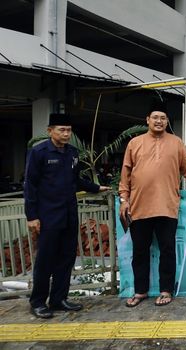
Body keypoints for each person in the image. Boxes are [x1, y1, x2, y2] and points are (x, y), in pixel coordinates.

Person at [118, 100, 186, 308]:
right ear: (147, 120)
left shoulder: (176, 143)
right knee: (140, 252)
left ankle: (166, 290)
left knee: (167, 250)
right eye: (155, 117)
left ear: (167, 122)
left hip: (167, 206)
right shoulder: (134, 143)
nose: (159, 121)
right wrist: (123, 200)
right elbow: (125, 175)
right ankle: (140, 291)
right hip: (138, 207)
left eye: (163, 118)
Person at [24, 113, 111, 319]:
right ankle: (37, 302)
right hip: (47, 216)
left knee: (66, 258)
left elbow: (76, 180)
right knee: (45, 260)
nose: (66, 134)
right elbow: (30, 185)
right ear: (50, 131)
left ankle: (58, 299)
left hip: (69, 215)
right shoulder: (39, 152)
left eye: (69, 130)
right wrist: (32, 216)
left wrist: (97, 187)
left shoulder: (72, 152)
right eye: (61, 130)